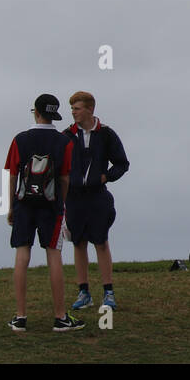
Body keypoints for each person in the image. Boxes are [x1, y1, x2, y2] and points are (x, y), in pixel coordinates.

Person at [5, 94, 83, 331]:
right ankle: (60, 317)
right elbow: (65, 178)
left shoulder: (20, 140)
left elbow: (12, 176)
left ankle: (20, 317)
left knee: (22, 254)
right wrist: (62, 203)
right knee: (54, 255)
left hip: (24, 204)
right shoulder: (64, 142)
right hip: (52, 205)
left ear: (36, 112)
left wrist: (11, 207)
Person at [63, 91, 129, 311]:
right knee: (78, 242)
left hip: (98, 196)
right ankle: (84, 292)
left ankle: (108, 292)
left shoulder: (106, 134)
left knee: (101, 241)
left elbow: (122, 163)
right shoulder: (66, 136)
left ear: (90, 109)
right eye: (72, 108)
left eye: (77, 108)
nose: (73, 112)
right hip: (73, 198)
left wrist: (106, 176)